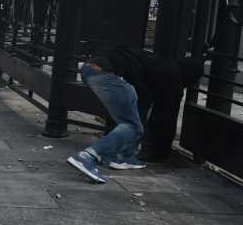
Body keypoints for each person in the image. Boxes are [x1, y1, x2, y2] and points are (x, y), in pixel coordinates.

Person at [67, 51, 205, 182]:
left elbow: (142, 103)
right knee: (132, 126)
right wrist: (161, 152)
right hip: (107, 74)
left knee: (132, 121)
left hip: (90, 68)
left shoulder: (157, 64)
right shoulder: (173, 76)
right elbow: (166, 117)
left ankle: (122, 157)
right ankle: (86, 157)